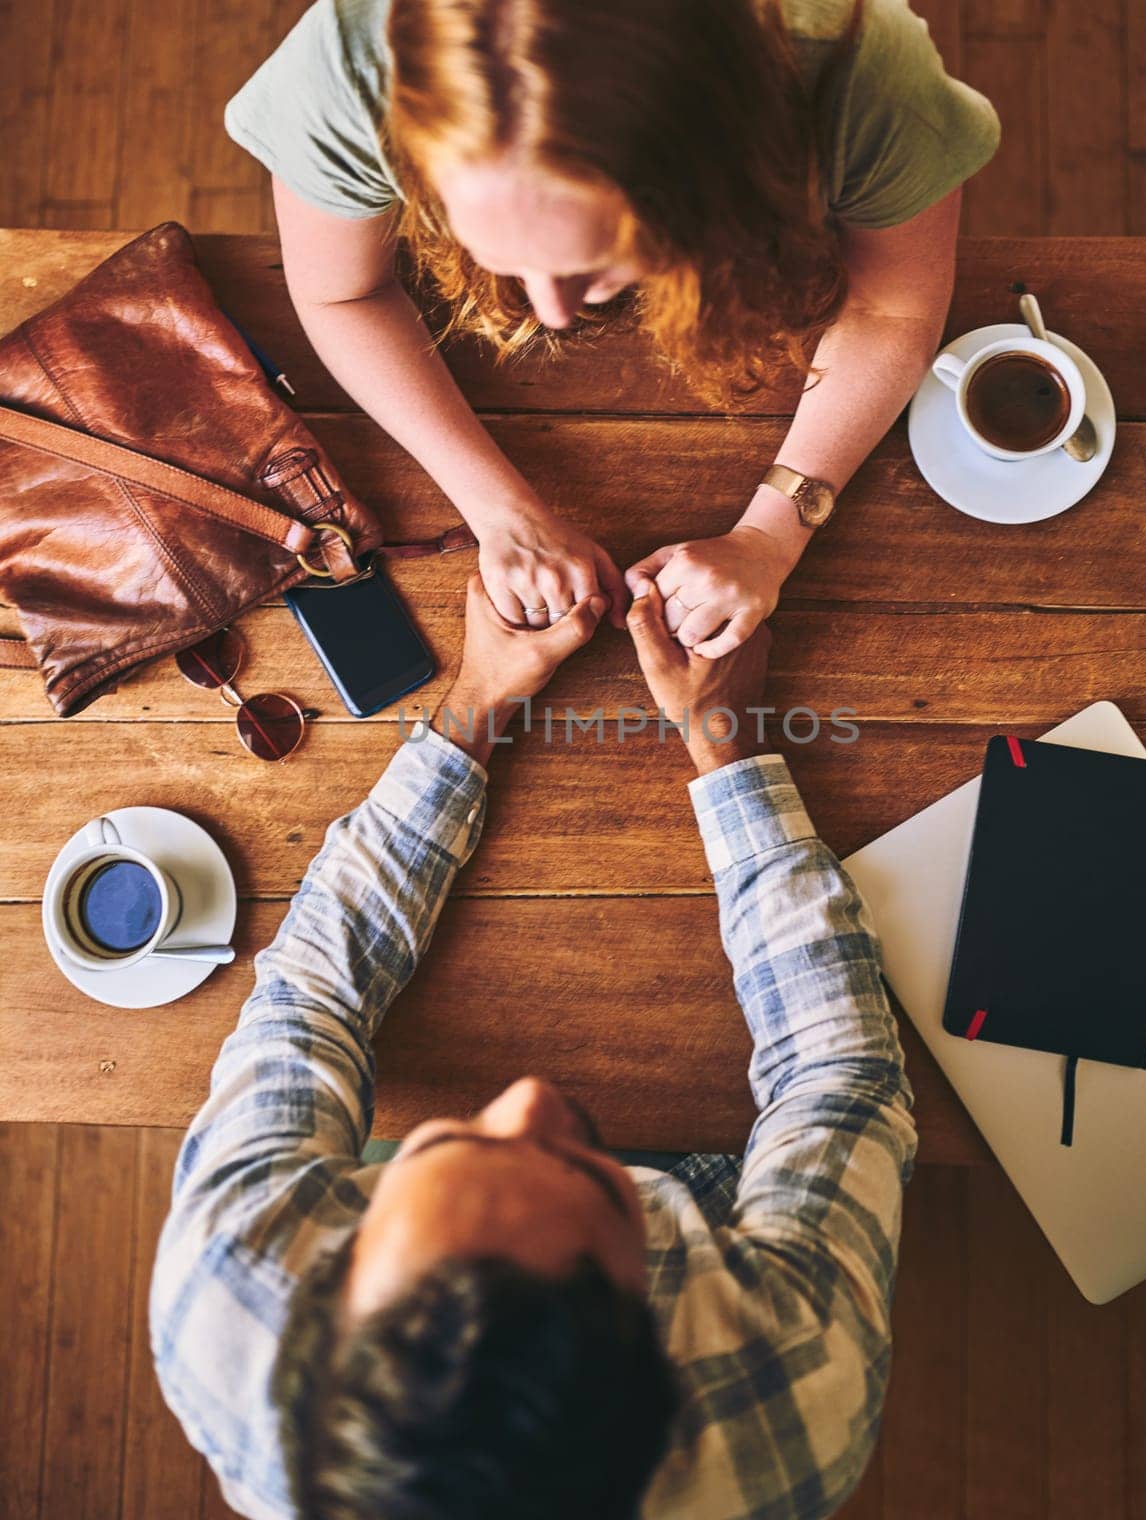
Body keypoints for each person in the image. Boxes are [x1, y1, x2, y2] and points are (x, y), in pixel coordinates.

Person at [150, 572, 918, 1520]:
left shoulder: (228, 1281)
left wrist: (479, 699)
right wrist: (728, 741)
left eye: (447, 1143)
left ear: (329, 1269)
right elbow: (839, 1077)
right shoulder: (794, 1401)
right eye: (598, 1178)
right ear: (665, 1349)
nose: (530, 1096)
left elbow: (311, 997)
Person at [224, 0, 999, 654]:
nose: (552, 310)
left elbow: (892, 305)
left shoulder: (863, 75)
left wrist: (773, 531)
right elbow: (339, 293)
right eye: (505, 251)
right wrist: (502, 514)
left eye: (599, 259)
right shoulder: (345, 76)